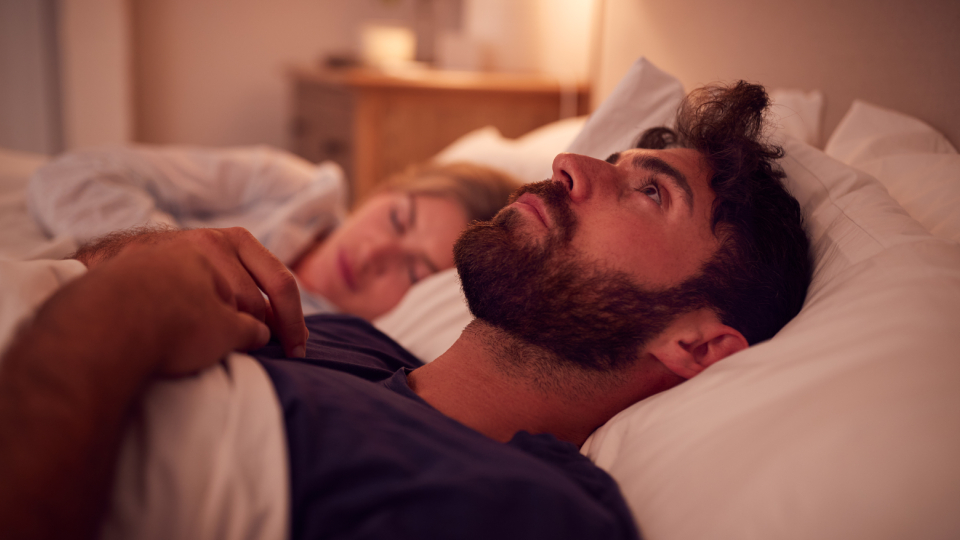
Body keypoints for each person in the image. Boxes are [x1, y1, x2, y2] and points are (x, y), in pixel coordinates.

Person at [0, 81, 811, 539]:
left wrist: (131, 305)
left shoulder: (524, 514)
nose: (567, 165)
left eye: (649, 190)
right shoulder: (347, 338)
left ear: (698, 346)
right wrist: (140, 264)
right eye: (607, 157)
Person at [30, 147, 520, 320]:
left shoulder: (335, 337)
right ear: (384, 190)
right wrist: (172, 253)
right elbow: (78, 173)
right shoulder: (292, 186)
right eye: (397, 219)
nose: (374, 252)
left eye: (413, 270)